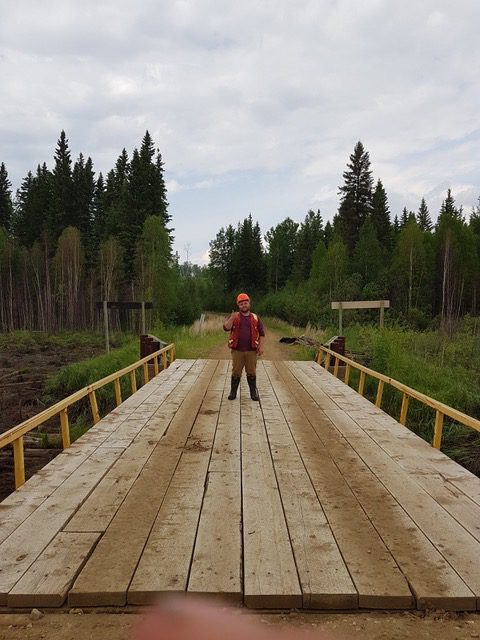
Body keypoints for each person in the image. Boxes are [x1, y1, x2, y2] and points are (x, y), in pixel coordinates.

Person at [223, 293, 265, 401]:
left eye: (245, 303)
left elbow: (262, 333)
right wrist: (231, 318)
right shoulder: (234, 316)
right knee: (236, 372)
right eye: (241, 304)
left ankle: (253, 393)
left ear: (249, 303)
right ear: (238, 305)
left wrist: (261, 346)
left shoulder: (255, 317)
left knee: (251, 372)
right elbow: (226, 328)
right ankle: (233, 392)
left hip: (252, 350)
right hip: (237, 350)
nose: (244, 305)